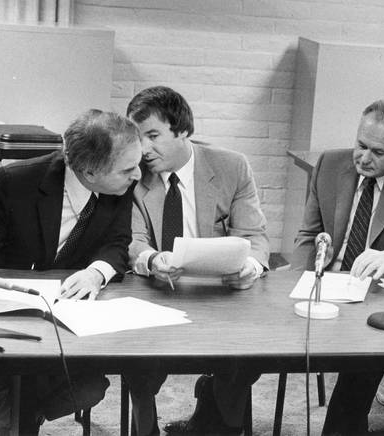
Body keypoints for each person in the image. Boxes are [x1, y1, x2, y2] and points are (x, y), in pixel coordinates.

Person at [0, 109, 142, 435]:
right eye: (129, 169)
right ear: (90, 171)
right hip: (5, 315)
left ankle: (25, 415)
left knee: (90, 387)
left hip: (65, 318)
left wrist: (96, 273)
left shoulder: (119, 184)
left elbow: (118, 243)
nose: (138, 175)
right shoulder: (17, 181)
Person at [291, 100, 384, 435]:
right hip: (323, 283)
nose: (364, 157)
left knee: (364, 357)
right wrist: (295, 284)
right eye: (361, 145)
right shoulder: (330, 164)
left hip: (373, 295)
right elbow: (309, 233)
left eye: (378, 152)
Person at [124, 86, 269, 436]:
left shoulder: (231, 166)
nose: (143, 149)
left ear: (183, 130)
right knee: (137, 365)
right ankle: (146, 428)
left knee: (244, 359)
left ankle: (215, 419)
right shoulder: (133, 174)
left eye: (154, 136)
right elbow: (132, 241)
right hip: (156, 294)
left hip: (220, 296)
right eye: (138, 137)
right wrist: (152, 259)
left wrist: (249, 267)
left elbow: (255, 237)